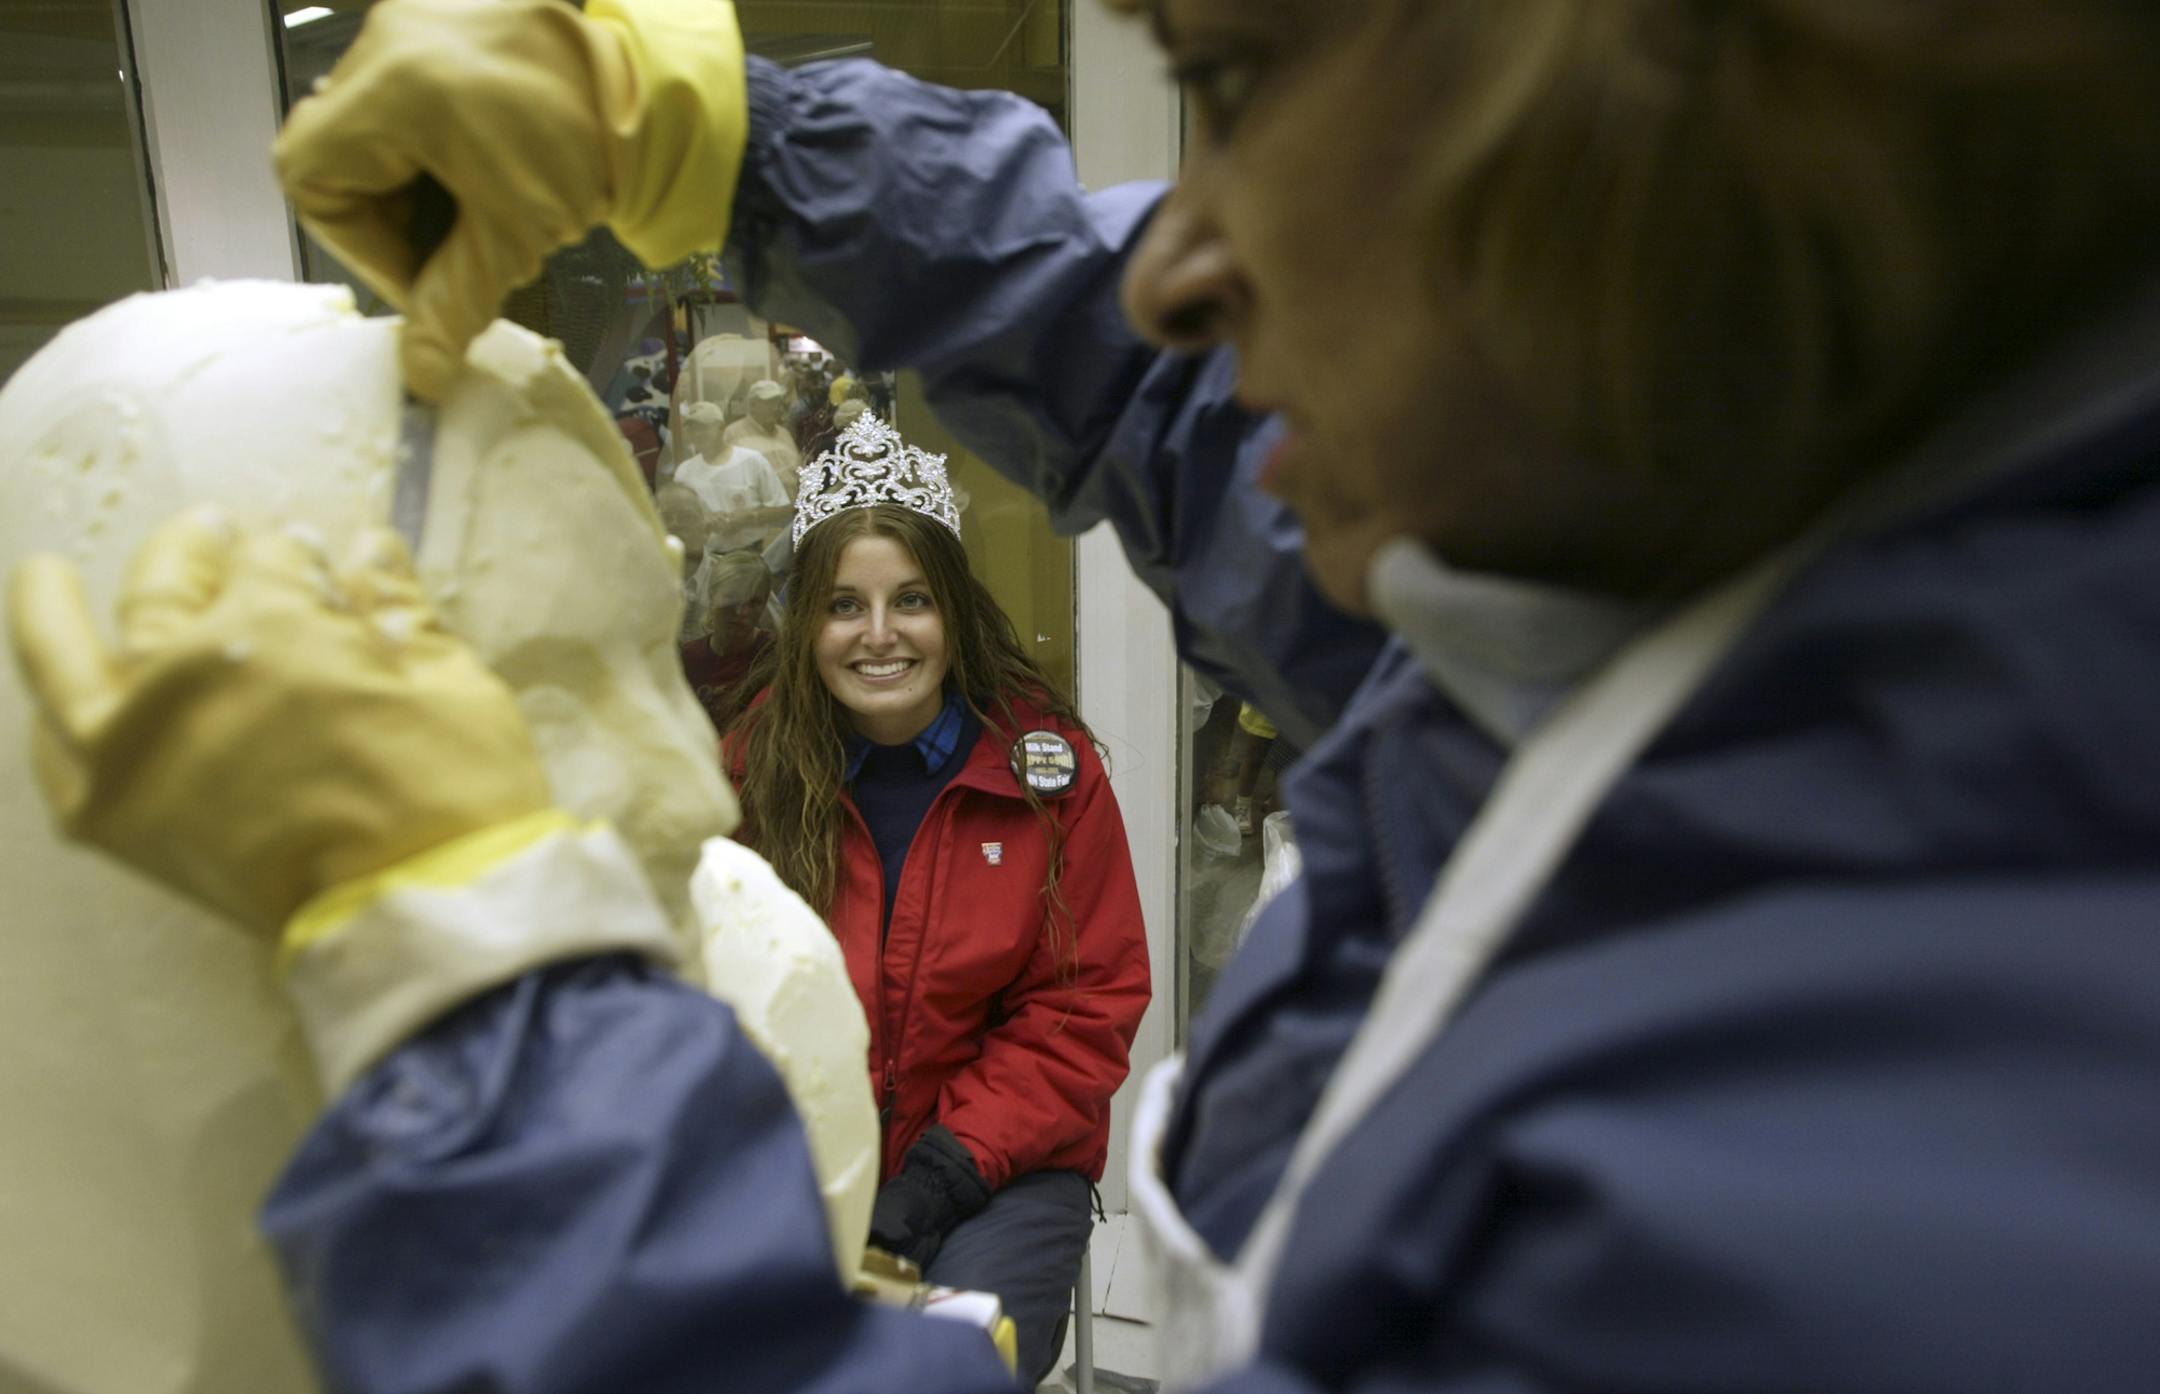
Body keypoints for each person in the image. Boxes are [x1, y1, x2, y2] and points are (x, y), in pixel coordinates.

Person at [15, 0, 2160, 1390]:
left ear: (1690, 121)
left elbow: (1080, 999)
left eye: (1238, 83)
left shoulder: (1912, 1205)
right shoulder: (1693, 535)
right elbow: (1179, 391)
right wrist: (724, 145)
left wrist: (466, 971)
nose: (1179, 262)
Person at [724, 412, 1150, 1383]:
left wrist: (940, 1175)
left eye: (910, 599)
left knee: (941, 1371)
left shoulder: (1050, 782)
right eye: (845, 604)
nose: (880, 635)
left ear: (953, 610)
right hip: (800, 1155)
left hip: (999, 1165)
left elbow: (1082, 1006)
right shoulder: (746, 778)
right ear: (806, 620)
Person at [680, 548, 775, 734]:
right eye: (732, 599)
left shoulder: (775, 655)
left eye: (754, 603)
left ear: (764, 604)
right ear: (712, 595)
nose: (742, 612)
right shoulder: (688, 658)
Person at [723, 377, 805, 495]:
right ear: (752, 405)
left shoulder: (784, 434)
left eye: (777, 402)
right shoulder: (733, 434)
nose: (775, 408)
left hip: (792, 502)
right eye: (769, 403)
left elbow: (798, 470)